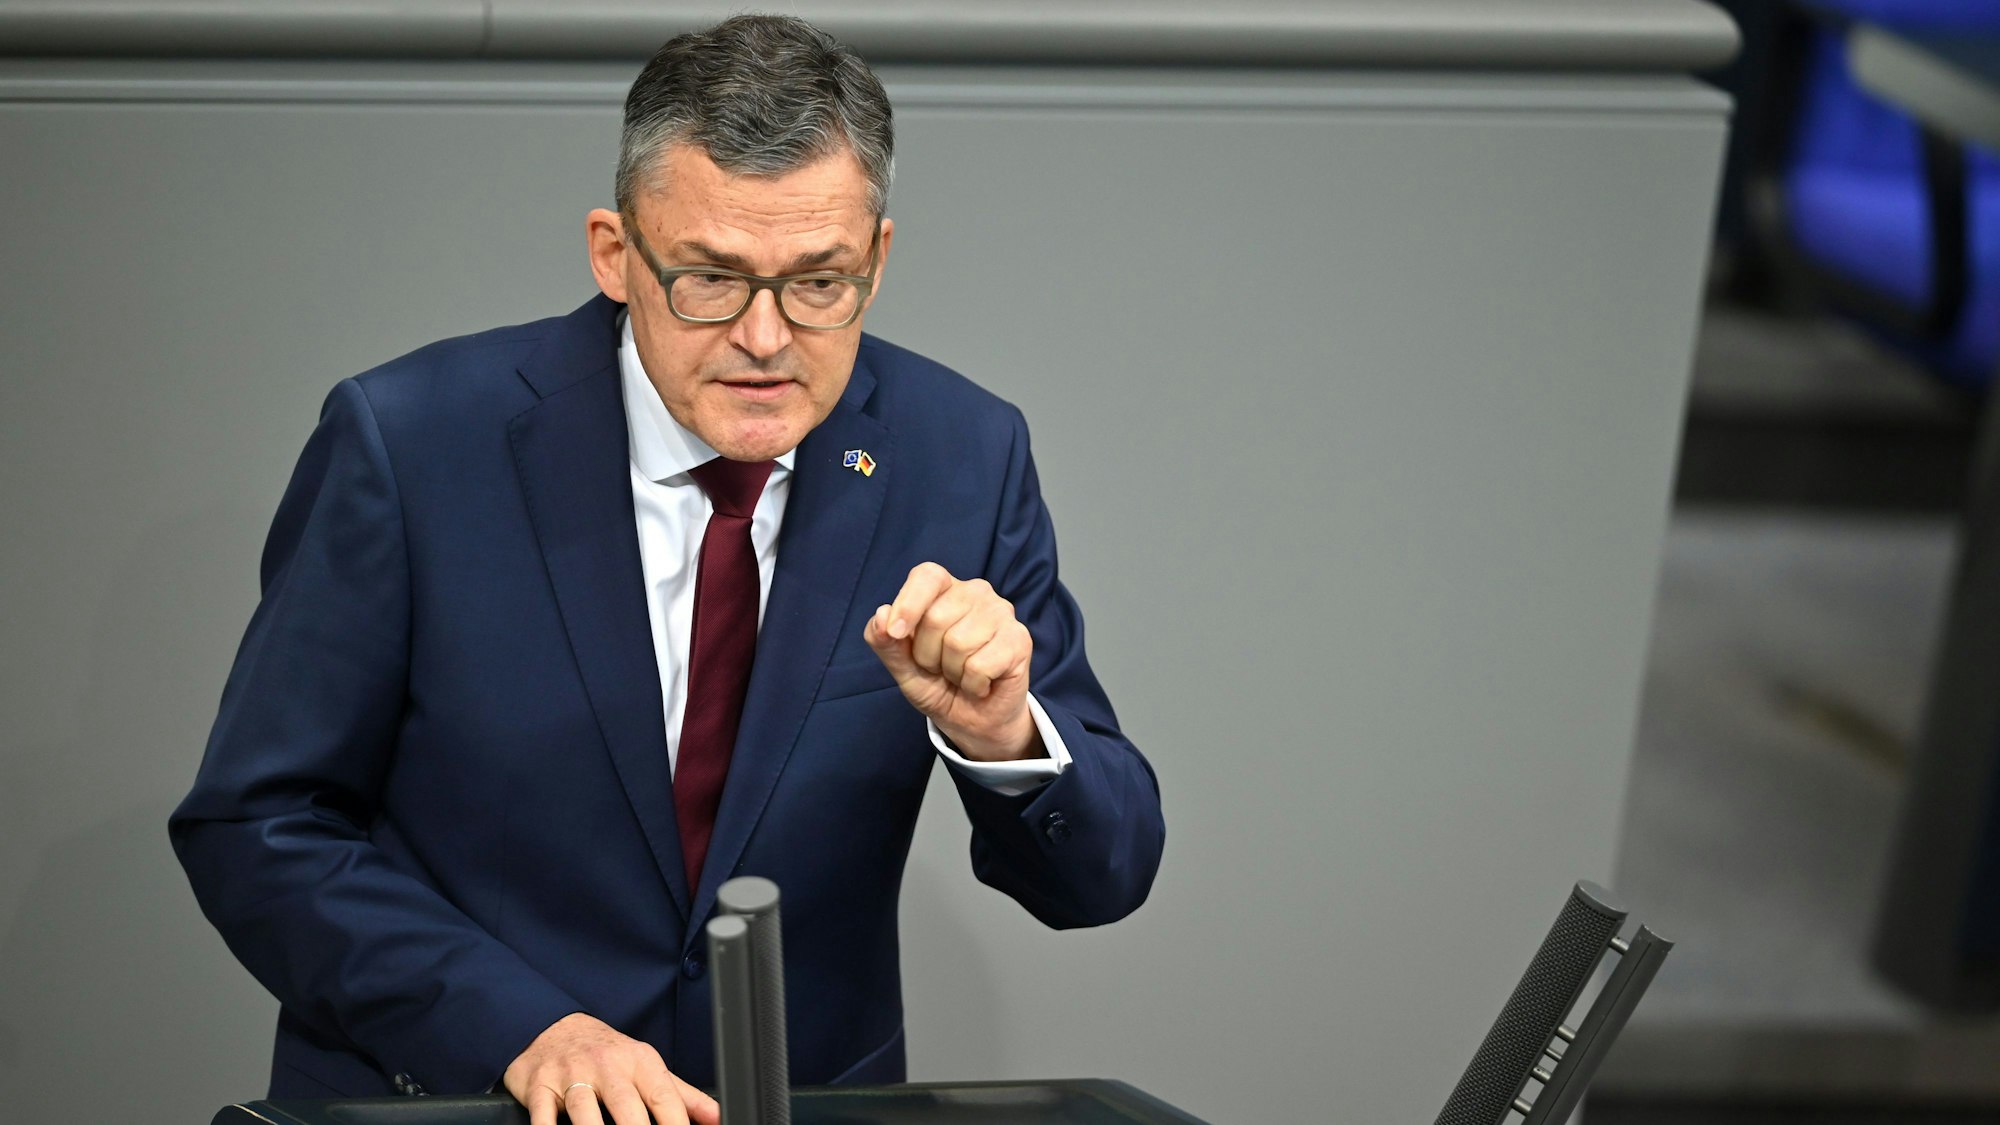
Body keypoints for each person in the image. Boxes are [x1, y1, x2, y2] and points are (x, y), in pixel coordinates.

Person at [170, 14, 1164, 1125]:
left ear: (877, 260)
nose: (764, 337)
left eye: (818, 282)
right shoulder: (411, 445)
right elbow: (258, 828)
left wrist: (1004, 739)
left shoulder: (961, 458)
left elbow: (1104, 875)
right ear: (613, 252)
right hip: (456, 1101)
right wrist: (517, 1027)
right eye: (708, 279)